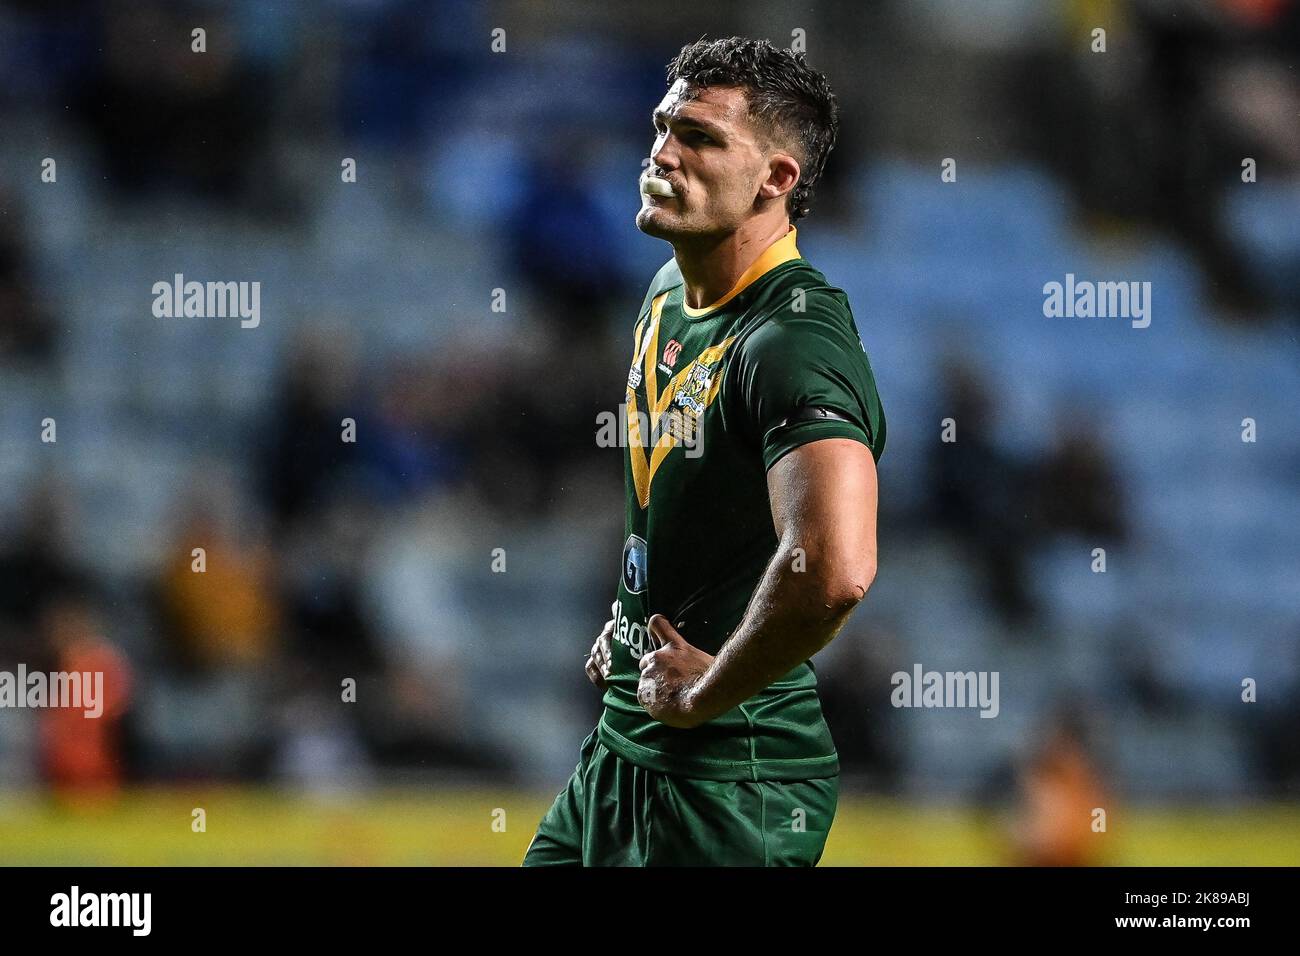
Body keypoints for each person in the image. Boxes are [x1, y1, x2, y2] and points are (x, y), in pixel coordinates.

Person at [523, 36, 885, 866]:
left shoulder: (794, 337)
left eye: (701, 138)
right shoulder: (664, 292)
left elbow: (835, 570)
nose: (663, 154)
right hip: (623, 752)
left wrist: (707, 690)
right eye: (662, 127)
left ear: (777, 179)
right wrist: (631, 622)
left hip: (730, 779)